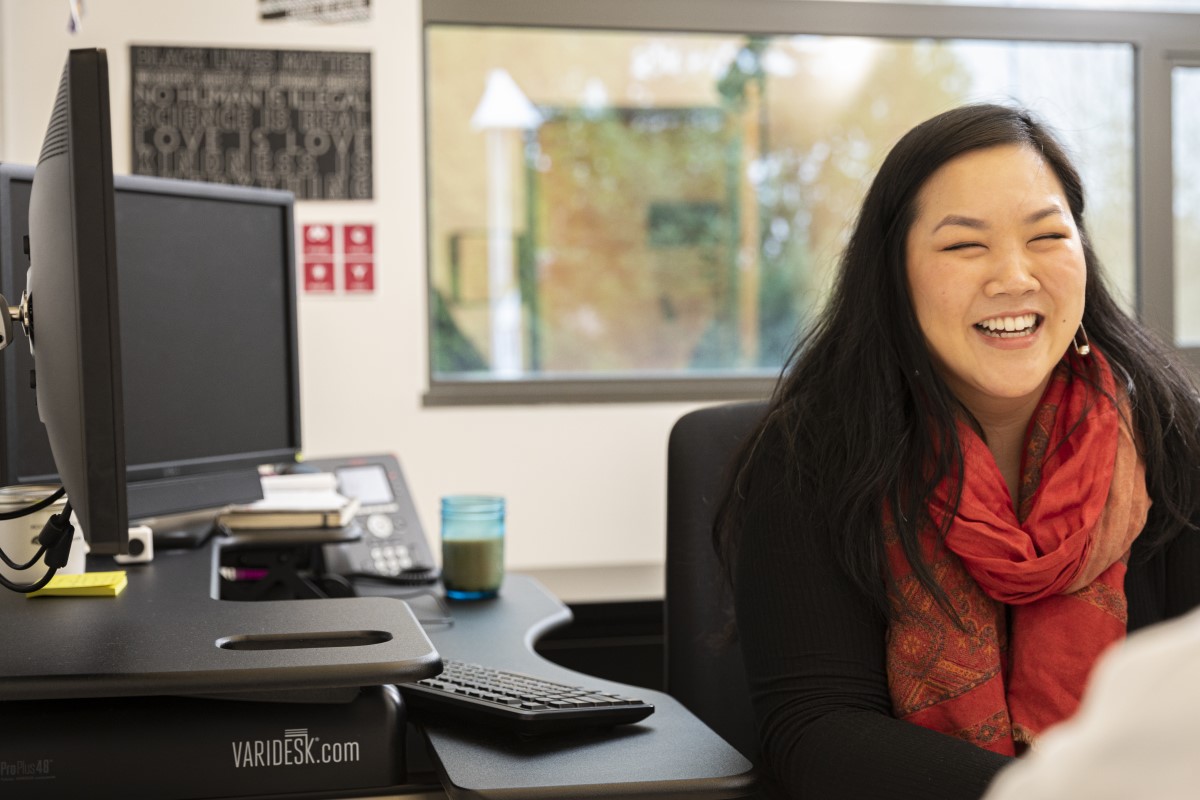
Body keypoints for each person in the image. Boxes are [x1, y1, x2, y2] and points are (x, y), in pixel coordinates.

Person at [715, 103, 1200, 799]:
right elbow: (818, 736)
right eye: (964, 246)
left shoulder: (1173, 434)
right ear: (894, 275)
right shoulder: (813, 457)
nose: (1013, 276)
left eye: (1047, 237)